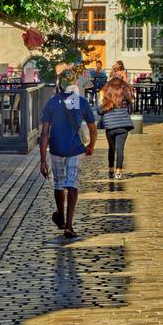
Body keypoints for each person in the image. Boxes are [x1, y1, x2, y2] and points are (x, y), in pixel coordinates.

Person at [39, 68, 97, 237]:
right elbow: (93, 130)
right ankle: (68, 226)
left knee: (58, 183)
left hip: (56, 148)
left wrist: (42, 159)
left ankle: (61, 217)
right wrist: (91, 145)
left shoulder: (52, 102)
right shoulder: (79, 102)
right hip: (74, 149)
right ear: (74, 83)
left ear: (60, 83)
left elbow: (44, 134)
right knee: (72, 183)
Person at [97, 73, 135, 179]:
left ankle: (110, 170)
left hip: (110, 125)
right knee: (120, 149)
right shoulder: (125, 95)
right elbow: (130, 110)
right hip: (123, 125)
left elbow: (100, 111)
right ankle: (118, 172)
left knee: (111, 148)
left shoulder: (106, 96)